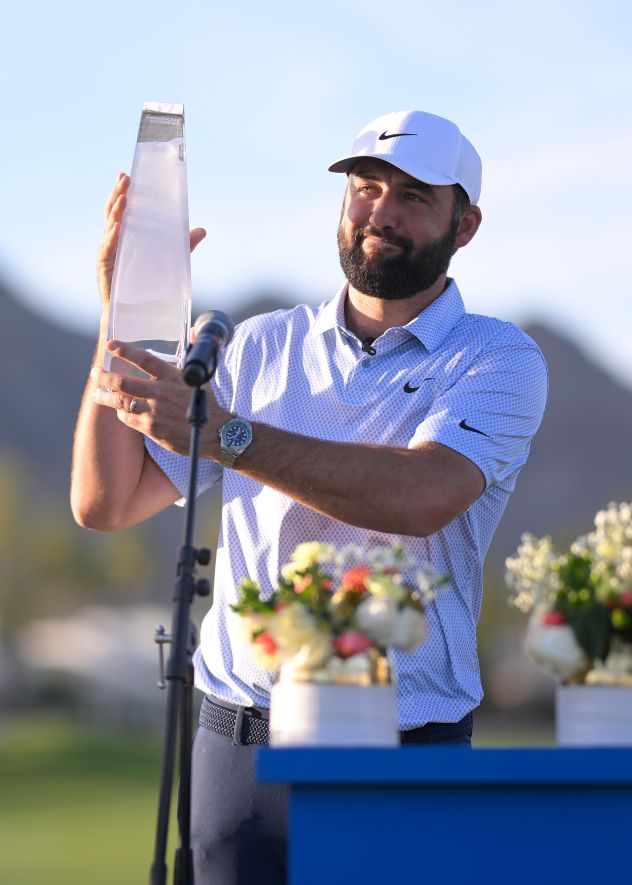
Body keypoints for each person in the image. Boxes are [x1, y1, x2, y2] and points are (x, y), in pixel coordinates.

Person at [71, 109, 548, 883]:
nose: (380, 212)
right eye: (365, 187)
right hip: (238, 753)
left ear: (466, 225)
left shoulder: (498, 358)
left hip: (410, 751)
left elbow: (421, 493)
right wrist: (118, 315)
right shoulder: (256, 344)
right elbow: (106, 500)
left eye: (413, 196)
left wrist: (231, 436)